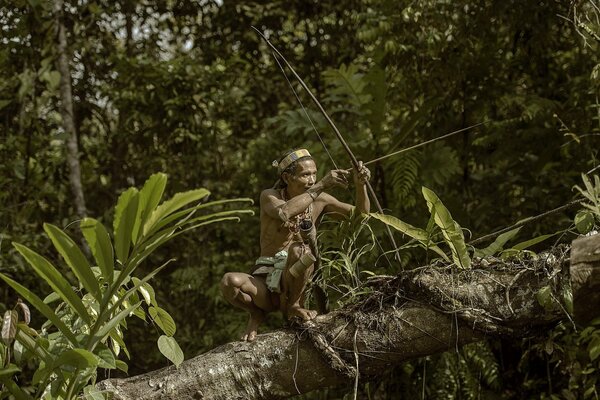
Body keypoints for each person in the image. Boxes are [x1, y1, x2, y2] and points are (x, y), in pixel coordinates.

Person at [220, 148, 371, 342]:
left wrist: (361, 186)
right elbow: (284, 212)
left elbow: (360, 216)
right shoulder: (270, 195)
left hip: (294, 277)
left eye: (314, 174)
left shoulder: (321, 200)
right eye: (305, 174)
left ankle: (295, 305)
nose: (312, 180)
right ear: (287, 177)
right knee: (229, 282)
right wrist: (323, 184)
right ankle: (256, 314)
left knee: (300, 250)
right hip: (265, 282)